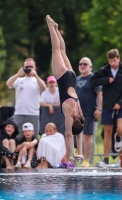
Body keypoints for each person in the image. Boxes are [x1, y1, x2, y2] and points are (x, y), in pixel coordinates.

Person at [46, 15, 84, 160]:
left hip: (72, 76)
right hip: (63, 77)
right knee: (55, 50)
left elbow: (78, 134)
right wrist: (74, 154)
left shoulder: (80, 115)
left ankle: (56, 28)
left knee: (62, 51)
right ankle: (51, 26)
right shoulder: (70, 115)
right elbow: (69, 134)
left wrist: (80, 152)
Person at [90, 49, 122, 166]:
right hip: (107, 106)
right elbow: (93, 81)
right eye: (110, 61)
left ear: (119, 59)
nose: (112, 63)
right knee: (107, 132)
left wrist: (120, 102)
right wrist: (107, 80)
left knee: (121, 130)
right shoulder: (105, 70)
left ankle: (118, 137)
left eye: (114, 60)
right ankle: (105, 159)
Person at [6, 58, 46, 139]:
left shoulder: (37, 80)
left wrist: (36, 75)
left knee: (34, 137)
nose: (28, 69)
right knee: (16, 137)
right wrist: (18, 74)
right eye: (26, 67)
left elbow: (44, 88)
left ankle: (33, 151)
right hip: (19, 113)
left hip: (33, 113)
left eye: (31, 67)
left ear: (35, 68)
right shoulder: (19, 80)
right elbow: (8, 83)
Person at [76, 57, 102, 167]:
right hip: (78, 113)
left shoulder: (93, 78)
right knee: (78, 137)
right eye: (81, 63)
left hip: (89, 111)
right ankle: (80, 158)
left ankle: (87, 160)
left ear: (90, 66)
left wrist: (99, 108)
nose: (82, 65)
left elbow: (100, 94)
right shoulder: (76, 79)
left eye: (85, 64)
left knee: (87, 136)